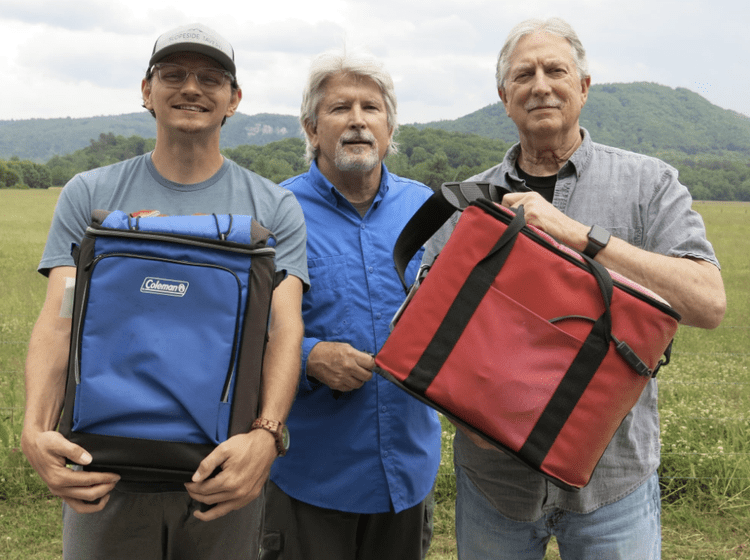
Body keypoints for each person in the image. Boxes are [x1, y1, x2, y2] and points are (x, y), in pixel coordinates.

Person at [423, 17, 726, 560]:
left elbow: (707, 302)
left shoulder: (649, 182)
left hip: (614, 481)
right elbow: (428, 330)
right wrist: (463, 418)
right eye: (523, 75)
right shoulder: (469, 204)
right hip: (495, 481)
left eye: (555, 70)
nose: (540, 84)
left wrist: (582, 238)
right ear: (504, 97)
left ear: (583, 87)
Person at [20, 23, 308, 560]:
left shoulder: (272, 208)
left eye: (211, 78)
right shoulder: (90, 194)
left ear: (234, 99)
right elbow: (60, 317)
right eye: (172, 74)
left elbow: (283, 331)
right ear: (146, 91)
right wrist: (35, 429)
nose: (191, 88)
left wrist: (266, 437)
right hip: (103, 471)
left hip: (221, 469)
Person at [260, 50, 441, 560]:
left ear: (389, 129)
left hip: (408, 472)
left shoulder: (426, 209)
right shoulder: (276, 212)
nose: (358, 120)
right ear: (311, 129)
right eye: (340, 108)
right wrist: (308, 356)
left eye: (371, 108)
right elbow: (238, 326)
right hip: (312, 475)